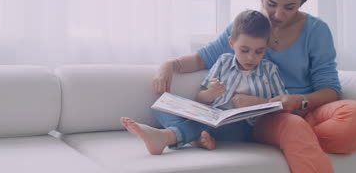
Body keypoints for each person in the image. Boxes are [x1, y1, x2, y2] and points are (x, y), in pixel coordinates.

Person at [152, 0, 356, 173]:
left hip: (307, 109)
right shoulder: (249, 26)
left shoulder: (317, 31)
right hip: (267, 117)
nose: (278, 14)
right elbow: (203, 58)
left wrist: (300, 100)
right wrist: (170, 64)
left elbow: (330, 89)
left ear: (302, 2)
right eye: (271, 4)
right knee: (291, 126)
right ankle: (292, 136)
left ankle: (296, 140)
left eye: (290, 7)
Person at [121, 10, 288, 155]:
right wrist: (210, 94)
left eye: (259, 51)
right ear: (232, 43)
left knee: (214, 125)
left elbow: (285, 105)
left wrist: (259, 103)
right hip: (211, 115)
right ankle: (196, 139)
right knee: (160, 106)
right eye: (244, 50)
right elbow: (200, 97)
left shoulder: (269, 70)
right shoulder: (223, 62)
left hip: (241, 127)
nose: (251, 57)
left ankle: (166, 137)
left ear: (266, 47)